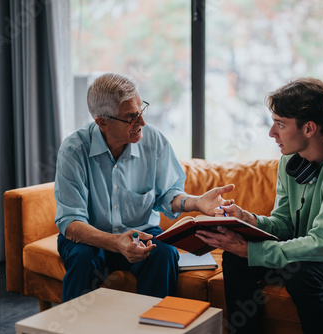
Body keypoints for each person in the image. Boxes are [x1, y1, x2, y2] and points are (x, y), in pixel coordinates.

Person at [196, 78, 323, 334]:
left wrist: (253, 251)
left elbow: (322, 245)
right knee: (235, 257)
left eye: (280, 124)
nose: (271, 133)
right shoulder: (290, 161)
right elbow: (286, 225)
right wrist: (247, 219)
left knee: (302, 274)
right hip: (314, 249)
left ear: (309, 128)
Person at [54, 73, 234, 302]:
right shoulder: (74, 150)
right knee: (83, 258)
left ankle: (154, 325)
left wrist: (196, 202)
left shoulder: (154, 141)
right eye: (131, 117)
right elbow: (70, 222)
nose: (142, 122)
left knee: (164, 253)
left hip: (140, 233)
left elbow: (168, 193)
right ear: (102, 122)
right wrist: (115, 243)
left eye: (141, 110)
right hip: (91, 238)